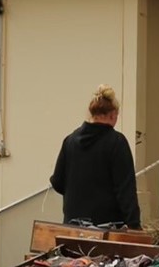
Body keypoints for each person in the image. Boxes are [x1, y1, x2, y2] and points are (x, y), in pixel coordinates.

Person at [50, 84, 142, 229]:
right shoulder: (117, 142)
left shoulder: (70, 141)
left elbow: (57, 182)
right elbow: (126, 190)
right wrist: (134, 226)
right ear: (112, 115)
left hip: (73, 228)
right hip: (107, 231)